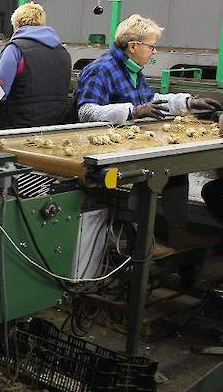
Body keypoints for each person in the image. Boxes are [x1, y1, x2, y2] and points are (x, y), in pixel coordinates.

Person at [75, 14, 222, 250]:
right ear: (134, 46)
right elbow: (86, 112)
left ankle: (175, 233)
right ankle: (138, 239)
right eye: (152, 46)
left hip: (134, 145)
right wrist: (132, 111)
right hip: (106, 150)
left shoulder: (133, 71)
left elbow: (150, 101)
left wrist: (188, 103)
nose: (154, 52)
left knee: (175, 170)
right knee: (148, 177)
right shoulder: (101, 70)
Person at [0, 2, 73, 130]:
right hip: (54, 126)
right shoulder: (63, 52)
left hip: (17, 126)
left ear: (17, 24)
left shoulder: (15, 50)